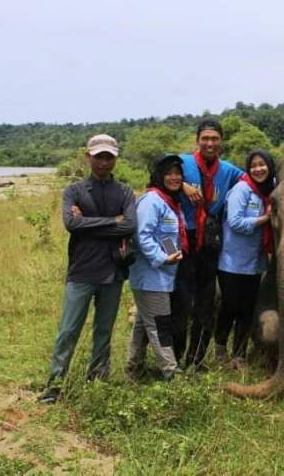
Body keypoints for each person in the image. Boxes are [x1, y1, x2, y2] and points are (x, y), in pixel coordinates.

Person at [39, 134, 136, 403]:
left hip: (113, 273)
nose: (104, 162)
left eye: (109, 157)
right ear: (88, 157)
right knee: (68, 330)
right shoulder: (74, 190)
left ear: (116, 158)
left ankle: (97, 382)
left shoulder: (125, 192)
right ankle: (54, 386)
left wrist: (90, 222)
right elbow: (71, 225)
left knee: (103, 332)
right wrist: (111, 222)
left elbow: (129, 226)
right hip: (82, 271)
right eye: (98, 156)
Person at [172, 117, 243, 369]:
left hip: (211, 241)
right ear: (197, 140)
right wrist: (183, 185)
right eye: (205, 138)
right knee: (181, 300)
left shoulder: (228, 170)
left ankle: (197, 359)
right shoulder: (182, 162)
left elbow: (257, 180)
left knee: (206, 301)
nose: (210, 143)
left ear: (221, 142)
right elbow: (158, 177)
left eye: (214, 139)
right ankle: (175, 359)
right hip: (184, 238)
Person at [126, 155, 188, 381]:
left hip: (162, 275)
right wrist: (163, 258)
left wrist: (170, 256)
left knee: (144, 324)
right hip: (150, 275)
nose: (174, 178)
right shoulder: (152, 201)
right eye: (169, 173)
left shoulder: (170, 201)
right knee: (160, 324)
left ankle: (134, 370)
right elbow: (142, 235)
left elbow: (165, 234)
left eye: (178, 173)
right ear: (159, 176)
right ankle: (172, 373)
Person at [214, 149, 276, 369]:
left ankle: (239, 354)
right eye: (254, 166)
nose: (258, 169)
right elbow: (235, 222)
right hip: (232, 261)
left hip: (255, 262)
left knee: (248, 309)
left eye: (263, 165)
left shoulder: (271, 189)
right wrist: (264, 219)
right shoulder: (242, 189)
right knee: (230, 306)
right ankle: (220, 347)